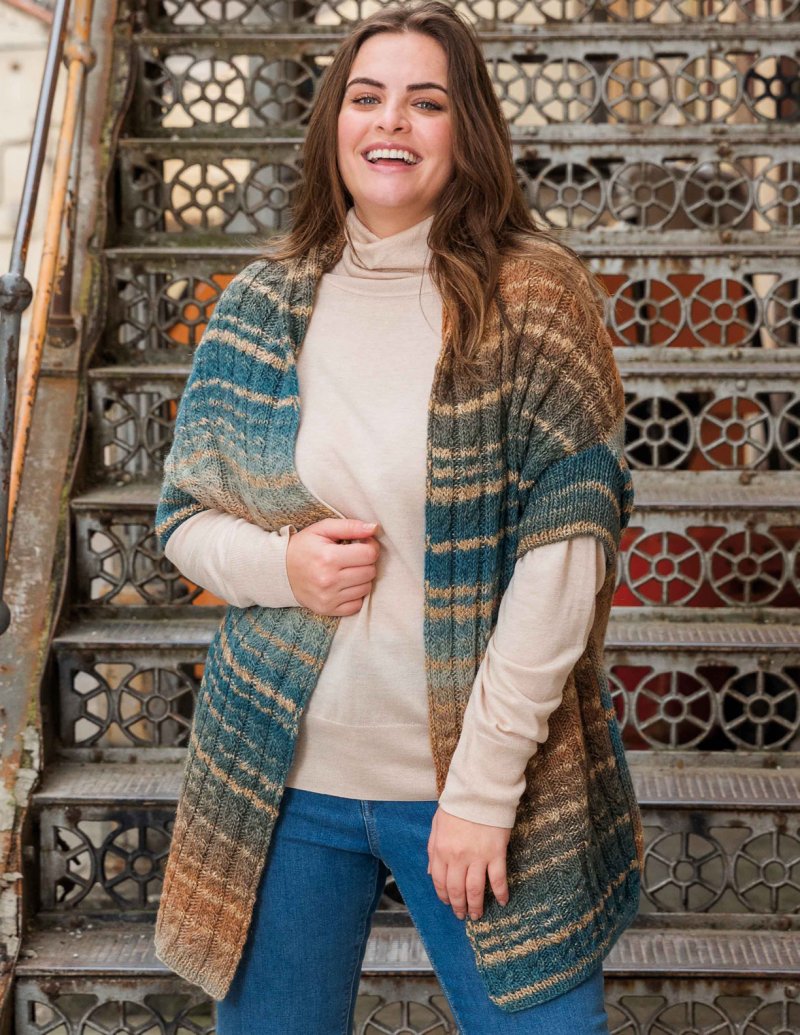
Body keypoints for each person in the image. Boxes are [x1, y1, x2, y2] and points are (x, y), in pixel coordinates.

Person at [152, 3, 643, 1032]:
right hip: (277, 784)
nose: (391, 123)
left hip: (482, 785)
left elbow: (567, 557)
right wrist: (282, 566)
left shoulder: (533, 299)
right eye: (367, 97)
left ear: (466, 131)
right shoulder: (259, 304)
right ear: (333, 121)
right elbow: (184, 518)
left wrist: (480, 792)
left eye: (426, 102)